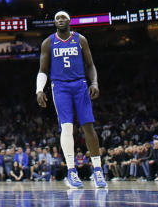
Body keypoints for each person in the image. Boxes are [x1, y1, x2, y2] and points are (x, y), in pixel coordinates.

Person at [36, 11, 108, 189]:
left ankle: (98, 170)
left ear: (69, 21)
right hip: (60, 87)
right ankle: (71, 171)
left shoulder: (80, 39)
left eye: (63, 18)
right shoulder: (48, 42)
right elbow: (43, 69)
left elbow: (90, 65)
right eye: (57, 19)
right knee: (67, 127)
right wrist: (39, 90)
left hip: (80, 84)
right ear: (54, 23)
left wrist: (95, 83)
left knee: (88, 126)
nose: (60, 20)